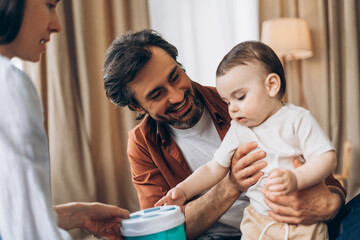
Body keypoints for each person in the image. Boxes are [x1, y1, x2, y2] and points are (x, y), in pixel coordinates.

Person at [103, 29, 345, 240]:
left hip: (295, 220)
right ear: (137, 106)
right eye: (156, 94)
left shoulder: (246, 102)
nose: (177, 96)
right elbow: (165, 231)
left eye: (175, 76)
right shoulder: (143, 144)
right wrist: (228, 185)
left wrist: (328, 204)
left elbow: (327, 177)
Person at [0, 0, 129, 239]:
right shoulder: (9, 84)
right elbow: (26, 231)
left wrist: (77, 215)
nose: (57, 25)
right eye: (49, 5)